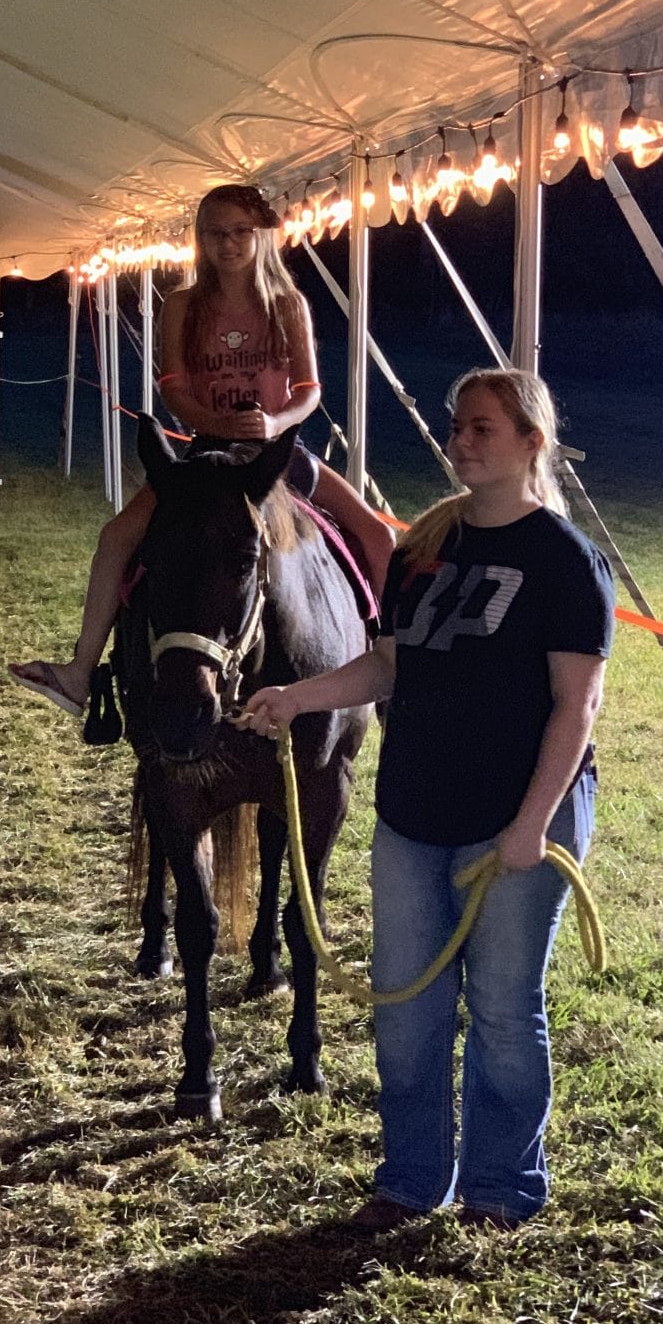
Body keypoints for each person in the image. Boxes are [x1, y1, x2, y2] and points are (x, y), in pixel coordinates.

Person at [242, 368, 614, 1231]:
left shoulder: (566, 562)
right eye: (457, 427)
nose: (462, 440)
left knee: (501, 1008)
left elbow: (577, 706)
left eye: (484, 427)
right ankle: (412, 1179)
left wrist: (529, 827)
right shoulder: (424, 549)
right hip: (413, 811)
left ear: (533, 442)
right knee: (406, 1009)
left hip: (520, 815)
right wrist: (296, 698)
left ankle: (500, 1187)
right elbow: (388, 666)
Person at [11, 182, 396, 717]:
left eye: (241, 232)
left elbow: (309, 391)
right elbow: (173, 387)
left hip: (276, 453)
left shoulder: (286, 304)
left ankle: (391, 671)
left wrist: (274, 422)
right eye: (216, 233)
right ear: (200, 240)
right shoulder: (183, 305)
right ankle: (81, 670)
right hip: (208, 452)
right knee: (118, 534)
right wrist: (216, 422)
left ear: (260, 237)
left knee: (377, 534)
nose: (229, 244)